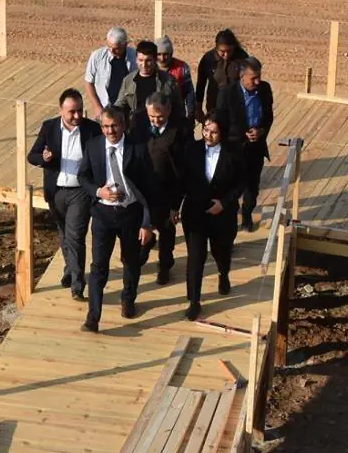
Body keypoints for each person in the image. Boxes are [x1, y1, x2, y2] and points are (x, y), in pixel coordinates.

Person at [77, 104, 158, 332]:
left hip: (130, 213)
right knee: (98, 267)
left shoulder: (137, 148)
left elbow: (149, 187)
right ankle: (93, 318)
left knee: (131, 261)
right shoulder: (93, 146)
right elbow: (83, 176)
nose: (110, 131)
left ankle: (128, 299)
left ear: (123, 125)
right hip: (103, 214)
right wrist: (98, 191)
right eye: (105, 126)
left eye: (113, 126)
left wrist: (147, 223)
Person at [26, 89, 100, 301]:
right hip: (56, 191)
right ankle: (70, 269)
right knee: (64, 234)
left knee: (75, 236)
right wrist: (44, 157)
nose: (77, 116)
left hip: (80, 192)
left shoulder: (92, 129)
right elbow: (32, 156)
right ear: (61, 110)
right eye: (72, 112)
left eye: (80, 111)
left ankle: (77, 285)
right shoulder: (49, 127)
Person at [181, 114, 244, 320]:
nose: (208, 135)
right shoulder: (192, 149)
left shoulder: (234, 153)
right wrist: (173, 207)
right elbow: (182, 180)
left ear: (222, 133)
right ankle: (194, 301)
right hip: (195, 212)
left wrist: (223, 204)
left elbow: (241, 184)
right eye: (206, 130)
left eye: (214, 132)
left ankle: (223, 274)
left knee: (221, 252)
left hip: (222, 215)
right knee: (195, 257)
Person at [217, 55, 274, 230]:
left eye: (259, 77)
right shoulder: (227, 94)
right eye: (253, 78)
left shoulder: (265, 89)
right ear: (242, 77)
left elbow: (268, 117)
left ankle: (247, 215)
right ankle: (230, 220)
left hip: (255, 148)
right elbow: (221, 123)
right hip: (233, 149)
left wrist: (261, 131)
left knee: (252, 187)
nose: (257, 81)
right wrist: (241, 136)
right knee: (231, 186)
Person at [137, 93, 187, 284]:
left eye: (160, 117)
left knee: (166, 234)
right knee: (141, 230)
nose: (156, 121)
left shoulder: (178, 133)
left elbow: (181, 171)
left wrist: (176, 205)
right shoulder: (140, 127)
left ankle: (164, 267)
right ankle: (145, 247)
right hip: (144, 193)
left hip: (167, 193)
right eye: (152, 117)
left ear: (169, 111)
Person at [114, 40, 182, 134]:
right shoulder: (128, 80)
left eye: (148, 61)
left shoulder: (168, 81)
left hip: (162, 131)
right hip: (136, 130)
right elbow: (119, 105)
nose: (144, 65)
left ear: (155, 60)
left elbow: (178, 108)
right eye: (140, 60)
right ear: (136, 59)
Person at [193, 28, 248, 122]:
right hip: (214, 107)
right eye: (222, 52)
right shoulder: (208, 59)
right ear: (216, 47)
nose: (226, 55)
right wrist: (198, 109)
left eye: (229, 51)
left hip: (236, 108)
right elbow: (201, 84)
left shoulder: (242, 57)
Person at [83, 26, 136, 114]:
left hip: (128, 109)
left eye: (116, 48)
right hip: (105, 108)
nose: (111, 51)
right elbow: (88, 82)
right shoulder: (97, 56)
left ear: (125, 44)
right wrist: (97, 107)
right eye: (109, 46)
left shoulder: (135, 57)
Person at [157, 34, 195, 117]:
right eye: (159, 54)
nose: (162, 58)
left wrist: (191, 114)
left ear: (171, 53)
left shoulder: (182, 67)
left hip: (176, 113)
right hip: (155, 114)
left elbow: (189, 93)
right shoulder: (150, 68)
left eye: (165, 54)